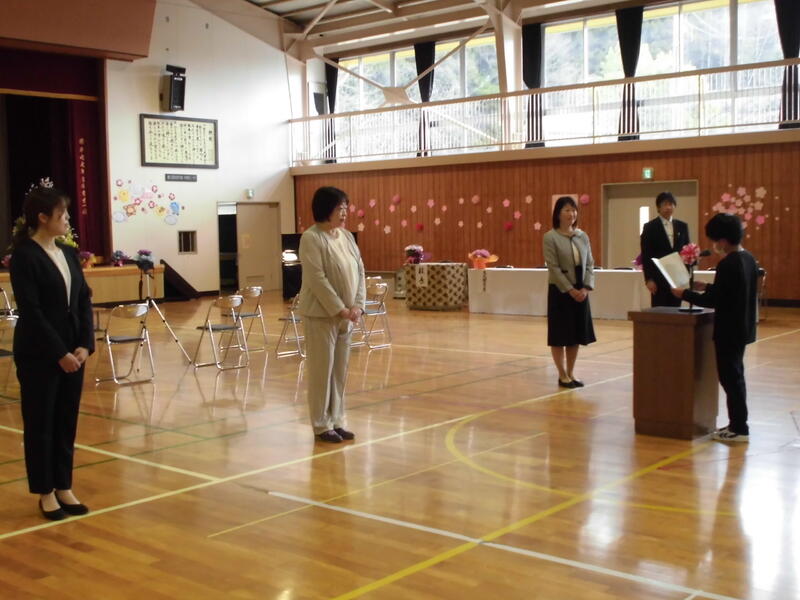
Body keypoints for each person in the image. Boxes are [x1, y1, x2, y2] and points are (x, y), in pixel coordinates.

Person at [9, 183, 94, 520]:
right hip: (40, 354)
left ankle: (63, 484)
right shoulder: (25, 257)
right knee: (40, 422)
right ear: (43, 218)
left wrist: (85, 343)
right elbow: (31, 311)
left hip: (74, 351)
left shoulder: (69, 253)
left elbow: (83, 300)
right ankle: (45, 491)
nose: (68, 219)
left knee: (65, 420)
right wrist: (59, 352)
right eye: (62, 214)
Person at [671, 213, 758, 443]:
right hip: (743, 327)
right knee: (735, 377)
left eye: (715, 240)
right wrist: (706, 286)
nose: (714, 245)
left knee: (731, 379)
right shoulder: (748, 259)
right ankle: (737, 423)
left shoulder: (728, 263)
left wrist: (685, 294)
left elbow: (716, 301)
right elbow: (730, 292)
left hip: (729, 330)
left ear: (723, 240)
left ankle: (739, 428)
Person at [298, 186, 366, 443]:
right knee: (321, 371)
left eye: (346, 208)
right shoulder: (311, 238)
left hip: (347, 317)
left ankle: (337, 420)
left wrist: (358, 305)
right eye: (340, 208)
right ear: (326, 209)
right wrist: (340, 309)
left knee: (339, 371)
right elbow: (317, 279)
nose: (345, 212)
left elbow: (360, 271)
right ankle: (321, 424)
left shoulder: (347, 236)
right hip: (321, 316)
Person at [543, 196, 596, 389]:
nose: (571, 213)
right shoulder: (550, 237)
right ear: (558, 214)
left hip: (581, 290)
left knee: (575, 334)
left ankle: (571, 372)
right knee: (559, 335)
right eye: (566, 210)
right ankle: (562, 374)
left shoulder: (582, 236)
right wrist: (570, 290)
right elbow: (554, 268)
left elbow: (590, 263)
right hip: (560, 291)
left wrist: (586, 287)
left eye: (573, 210)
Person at [640, 191, 690, 307]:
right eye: (665, 204)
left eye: (671, 204)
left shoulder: (682, 226)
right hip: (658, 276)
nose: (668, 207)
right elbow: (646, 255)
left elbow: (686, 251)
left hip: (677, 276)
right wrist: (649, 279)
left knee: (676, 309)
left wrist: (686, 275)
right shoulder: (650, 227)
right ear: (658, 207)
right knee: (660, 310)